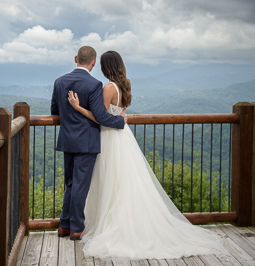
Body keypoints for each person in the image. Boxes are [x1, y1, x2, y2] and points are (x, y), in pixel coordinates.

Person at [67, 50, 225, 259]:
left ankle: (106, 223)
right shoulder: (125, 84)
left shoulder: (107, 87)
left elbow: (100, 118)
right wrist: (121, 117)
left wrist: (78, 108)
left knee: (109, 181)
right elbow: (119, 114)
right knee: (122, 182)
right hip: (122, 137)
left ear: (104, 67)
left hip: (108, 137)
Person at [51, 46, 127, 241]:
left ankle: (64, 226)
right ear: (93, 62)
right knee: (80, 186)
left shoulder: (59, 82)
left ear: (76, 58)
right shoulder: (94, 84)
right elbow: (101, 116)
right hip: (86, 142)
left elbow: (54, 112)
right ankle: (76, 229)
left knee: (70, 184)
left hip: (67, 140)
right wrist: (121, 121)